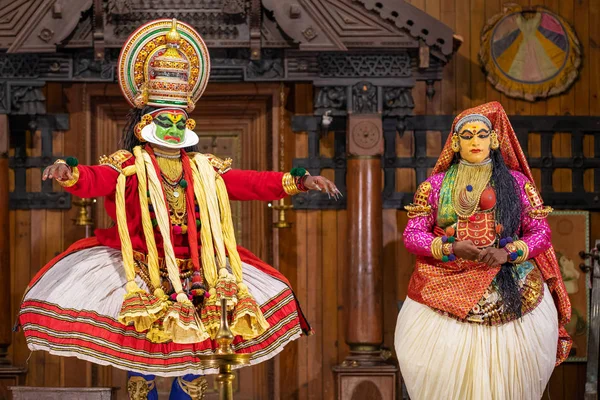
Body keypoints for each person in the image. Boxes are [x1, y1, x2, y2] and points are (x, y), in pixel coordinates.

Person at [18, 18, 339, 400]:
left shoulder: (204, 168)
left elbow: (250, 182)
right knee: (143, 367)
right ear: (144, 124)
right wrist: (69, 174)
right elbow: (95, 178)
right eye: (164, 120)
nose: (173, 128)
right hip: (141, 272)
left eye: (180, 121)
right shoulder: (128, 165)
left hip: (198, 275)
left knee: (194, 367)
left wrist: (297, 181)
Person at [395, 102, 571, 399]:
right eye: (466, 135)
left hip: (512, 286)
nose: (474, 141)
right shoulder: (434, 186)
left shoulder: (517, 184)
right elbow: (412, 236)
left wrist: (509, 253)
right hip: (444, 285)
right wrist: (450, 247)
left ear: (494, 139)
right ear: (454, 142)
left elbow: (541, 233)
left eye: (481, 134)